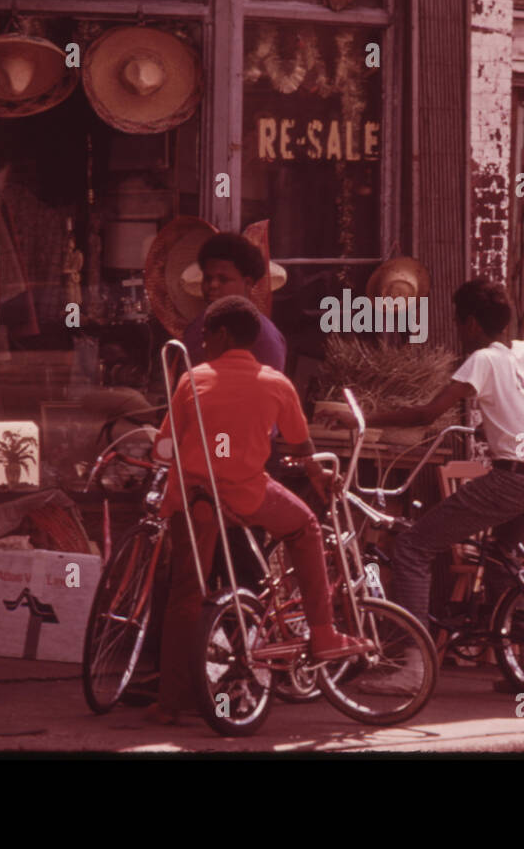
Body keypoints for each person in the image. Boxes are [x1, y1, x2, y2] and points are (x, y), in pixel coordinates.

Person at [330, 279, 524, 693]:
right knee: (503, 558)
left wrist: (362, 418)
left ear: (468, 323)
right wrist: (521, 426)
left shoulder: (482, 360)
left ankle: (414, 666)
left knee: (412, 546)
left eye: (457, 321)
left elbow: (426, 415)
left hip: (513, 478)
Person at [148, 296, 370, 725]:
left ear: (222, 335)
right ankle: (323, 634)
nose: (204, 343)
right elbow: (301, 446)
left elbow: (165, 444)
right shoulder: (277, 382)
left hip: (195, 500)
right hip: (249, 494)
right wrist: (316, 475)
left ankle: (170, 703)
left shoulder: (192, 379)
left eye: (207, 336)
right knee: (305, 527)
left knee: (186, 595)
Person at [182, 233, 286, 371]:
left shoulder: (266, 338)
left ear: (247, 283)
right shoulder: (195, 328)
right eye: (208, 278)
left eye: (223, 279)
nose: (213, 285)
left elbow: (267, 388)